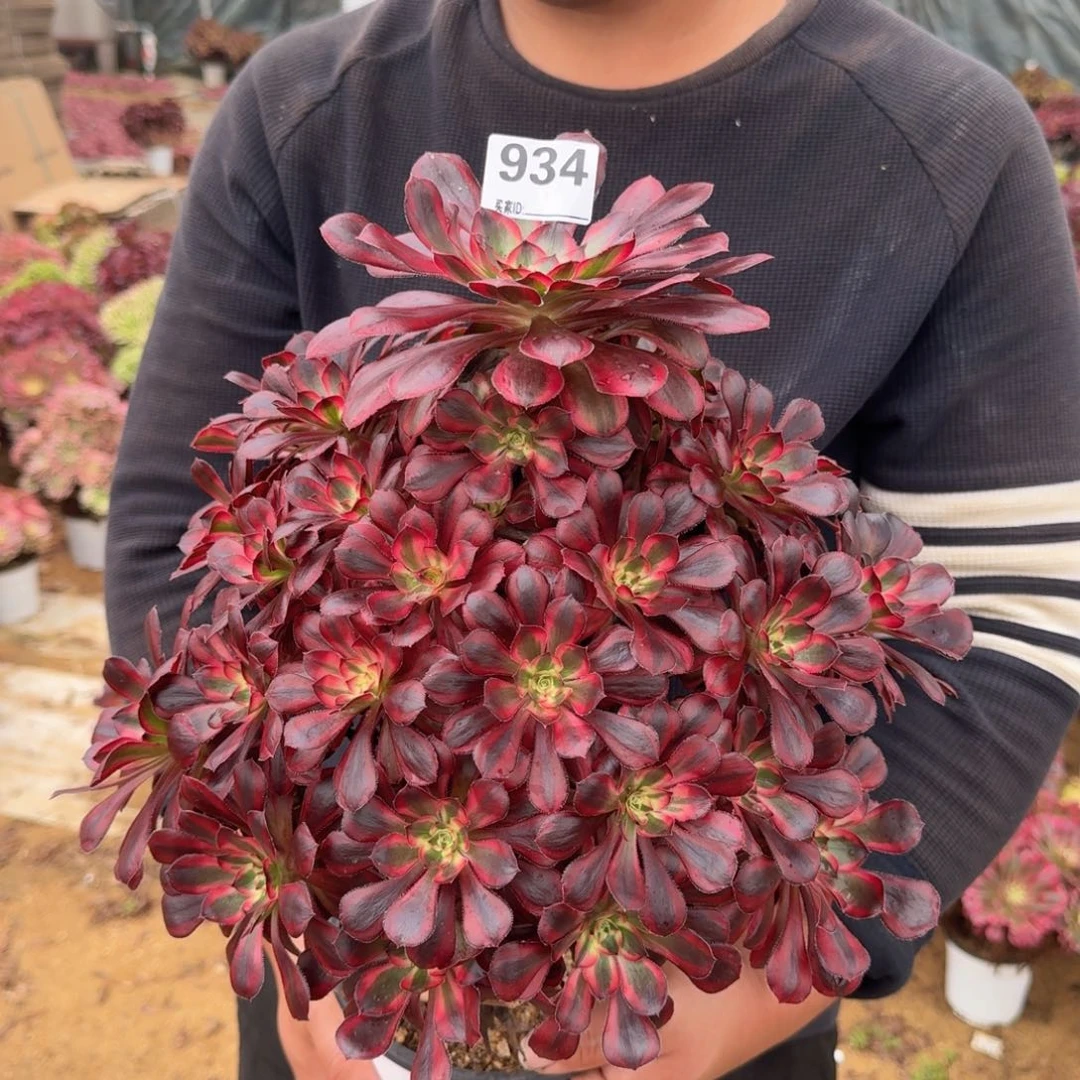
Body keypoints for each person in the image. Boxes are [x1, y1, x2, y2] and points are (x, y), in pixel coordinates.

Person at [105, 1, 1080, 1078]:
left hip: (710, 974)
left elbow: (1011, 605)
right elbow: (179, 526)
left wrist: (747, 1000)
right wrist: (305, 890)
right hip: (351, 985)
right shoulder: (306, 104)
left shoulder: (945, 135)